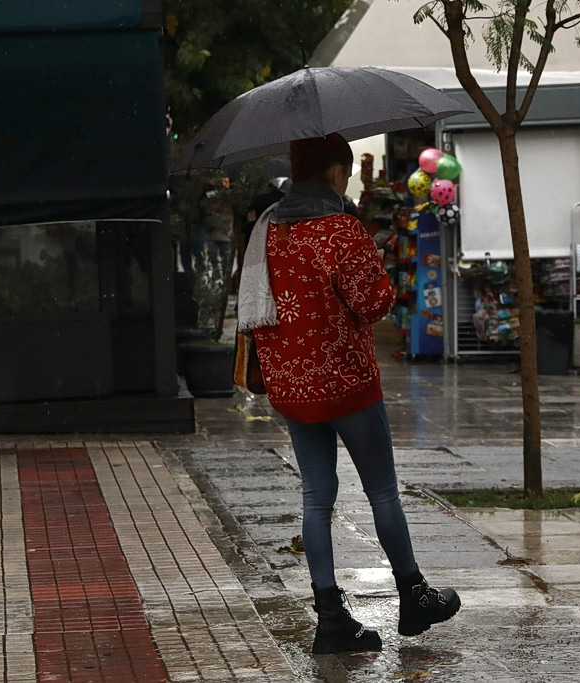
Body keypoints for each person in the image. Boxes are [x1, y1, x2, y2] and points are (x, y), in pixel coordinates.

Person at [238, 133, 460, 655]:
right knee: (382, 491)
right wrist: (371, 255)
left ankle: (331, 618)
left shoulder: (269, 229)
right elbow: (375, 302)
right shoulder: (341, 229)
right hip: (347, 385)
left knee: (316, 496)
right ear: (336, 173)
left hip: (293, 387)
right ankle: (414, 597)